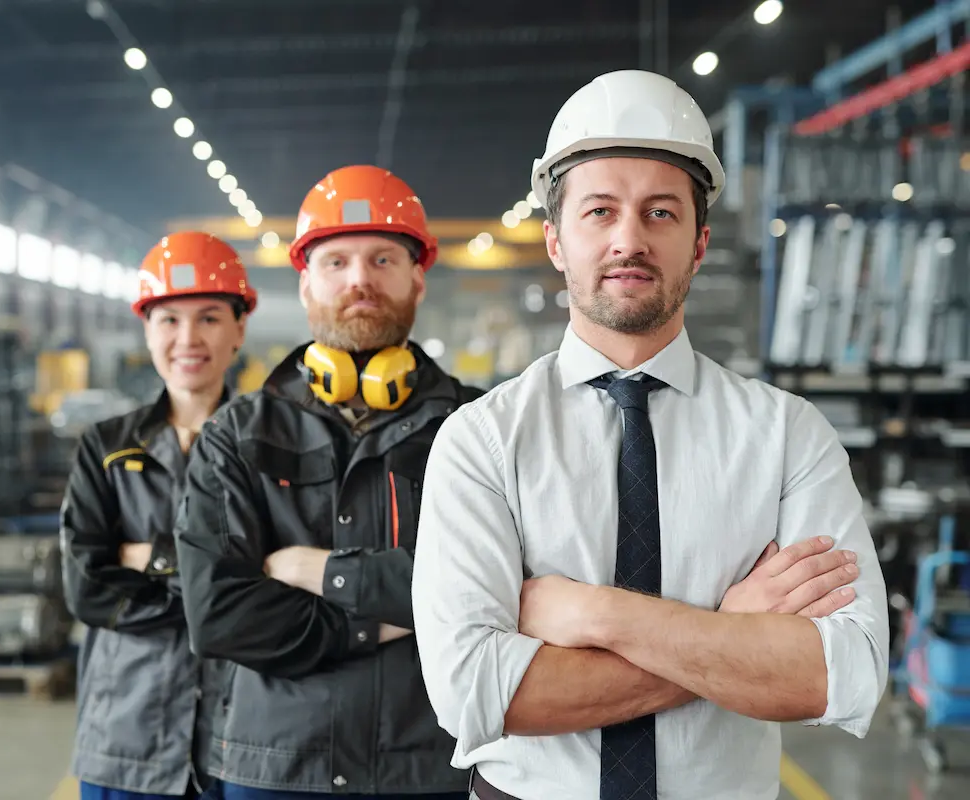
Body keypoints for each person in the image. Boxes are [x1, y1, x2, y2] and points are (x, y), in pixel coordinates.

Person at [411, 70, 890, 800]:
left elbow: (841, 672)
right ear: (555, 242)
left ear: (698, 244)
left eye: (660, 213)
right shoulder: (482, 442)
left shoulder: (787, 434)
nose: (628, 239)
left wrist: (593, 614)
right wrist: (727, 635)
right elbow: (477, 694)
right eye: (599, 211)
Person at [155, 164, 479, 800]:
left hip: (432, 765)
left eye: (382, 258)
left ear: (418, 277)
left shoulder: (477, 429)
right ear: (305, 284)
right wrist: (384, 618)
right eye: (336, 262)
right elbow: (219, 615)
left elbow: (492, 591)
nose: (359, 279)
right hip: (277, 770)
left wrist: (316, 570)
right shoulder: (239, 435)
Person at [59, 232, 259, 800]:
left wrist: (148, 558)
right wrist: (220, 589)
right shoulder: (105, 446)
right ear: (147, 329)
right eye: (169, 319)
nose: (188, 339)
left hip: (241, 738)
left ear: (239, 329)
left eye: (209, 318)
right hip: (125, 736)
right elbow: (88, 588)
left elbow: (282, 595)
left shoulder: (271, 447)